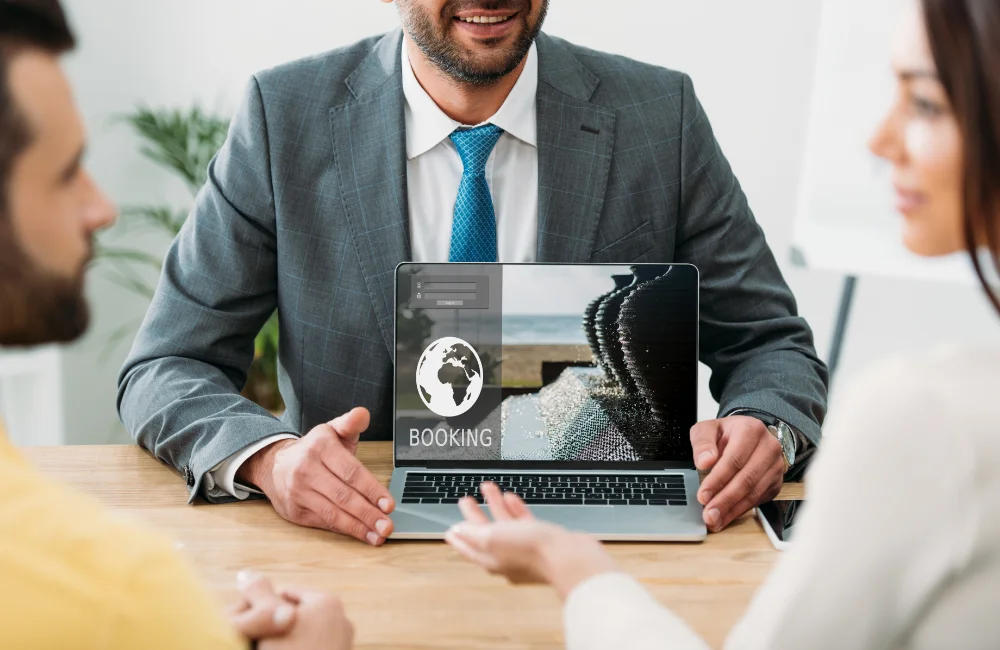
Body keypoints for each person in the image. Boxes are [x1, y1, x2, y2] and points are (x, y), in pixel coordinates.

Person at [118, 0, 829, 545]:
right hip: (360, 548)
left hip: (603, 551)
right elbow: (166, 363)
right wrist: (271, 459)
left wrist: (763, 426)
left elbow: (771, 345)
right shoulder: (286, 118)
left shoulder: (658, 115)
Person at [445, 0, 1000, 647]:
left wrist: (570, 563)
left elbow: (769, 340)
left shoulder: (924, 417)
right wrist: (288, 449)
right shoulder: (295, 109)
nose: (877, 141)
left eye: (926, 102)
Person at [0, 2, 353, 648]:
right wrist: (271, 460)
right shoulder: (117, 589)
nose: (104, 208)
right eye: (63, 171)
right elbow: (167, 362)